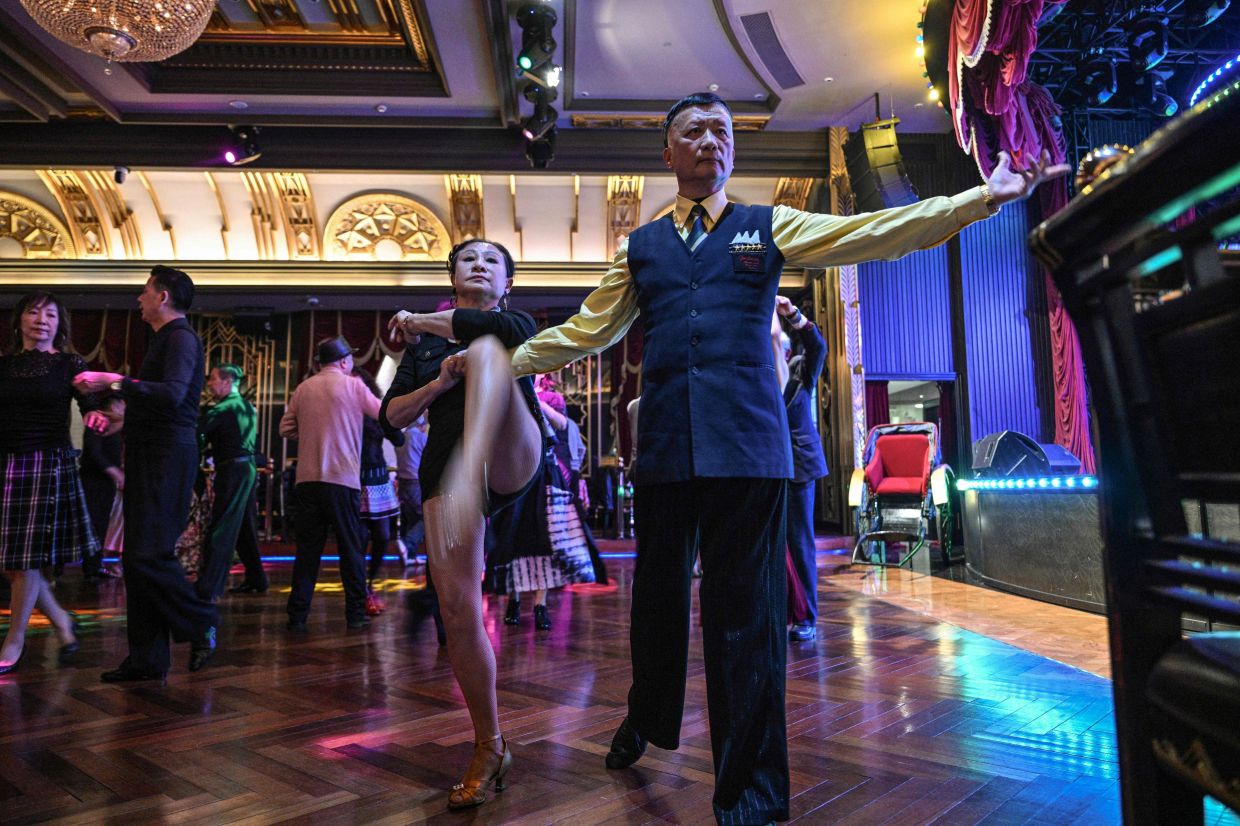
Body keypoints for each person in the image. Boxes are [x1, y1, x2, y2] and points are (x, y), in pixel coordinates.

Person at [508, 92, 1069, 824]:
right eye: (694, 131)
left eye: (723, 131)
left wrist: (975, 200)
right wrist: (498, 363)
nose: (711, 140)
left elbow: (873, 230)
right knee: (656, 606)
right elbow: (586, 331)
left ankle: (750, 797)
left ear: (732, 150)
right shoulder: (638, 248)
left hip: (751, 451)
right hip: (668, 453)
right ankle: (646, 715)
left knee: (746, 623)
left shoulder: (768, 226)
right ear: (669, 153)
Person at [381, 238, 543, 810]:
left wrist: (434, 324)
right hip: (445, 478)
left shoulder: (516, 320)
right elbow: (391, 417)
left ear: (508, 282)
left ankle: (468, 470)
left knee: (486, 352)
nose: (478, 265)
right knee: (457, 611)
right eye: (467, 259)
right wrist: (438, 383)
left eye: (491, 261)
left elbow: (500, 332)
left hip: (507, 458)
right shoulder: (422, 349)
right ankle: (489, 743)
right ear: (452, 276)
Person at [75, 266, 220, 682]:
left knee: (146, 555)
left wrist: (114, 382)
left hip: (166, 458)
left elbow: (174, 396)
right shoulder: (166, 339)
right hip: (150, 452)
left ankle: (202, 619)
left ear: (163, 298)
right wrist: (117, 422)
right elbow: (162, 404)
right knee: (135, 561)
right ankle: (147, 658)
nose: (138, 299)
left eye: (144, 291)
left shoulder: (180, 337)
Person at [0, 292, 110, 675]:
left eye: (50, 314)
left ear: (59, 324)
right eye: (33, 312)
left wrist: (96, 416)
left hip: (47, 463)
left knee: (25, 561)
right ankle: (63, 623)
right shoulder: (4, 365)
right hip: (6, 464)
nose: (41, 320)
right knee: (12, 565)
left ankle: (14, 641)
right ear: (19, 321)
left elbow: (89, 404)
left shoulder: (69, 364)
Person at [278, 336, 380, 631]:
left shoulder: (304, 388)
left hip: (307, 481)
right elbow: (381, 413)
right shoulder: (353, 385)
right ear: (345, 361)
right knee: (351, 549)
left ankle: (297, 616)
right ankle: (355, 614)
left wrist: (311, 436)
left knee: (308, 551)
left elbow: (285, 428)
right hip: (342, 479)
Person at [774, 296, 830, 643]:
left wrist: (794, 316)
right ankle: (778, 612)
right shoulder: (758, 379)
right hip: (766, 470)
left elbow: (818, 346)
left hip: (799, 468)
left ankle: (806, 616)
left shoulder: (799, 372)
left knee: (799, 543)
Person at [197, 363, 267, 601]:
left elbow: (198, 436)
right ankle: (257, 578)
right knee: (245, 527)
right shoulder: (248, 407)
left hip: (232, 471)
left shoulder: (222, 409)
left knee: (222, 527)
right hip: (247, 468)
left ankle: (209, 587)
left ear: (226, 382)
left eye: (213, 379)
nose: (209, 383)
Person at [355, 369, 403, 615]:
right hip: (354, 478)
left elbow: (398, 439)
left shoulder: (375, 408)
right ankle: (361, 591)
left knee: (383, 536)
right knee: (360, 538)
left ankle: (369, 585)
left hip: (378, 479)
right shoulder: (347, 409)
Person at [79, 392, 125, 581]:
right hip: (91, 480)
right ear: (114, 406)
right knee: (91, 523)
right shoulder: (97, 423)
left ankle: (94, 567)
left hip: (105, 482)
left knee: (101, 524)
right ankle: (88, 568)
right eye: (122, 405)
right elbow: (94, 452)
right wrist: (115, 472)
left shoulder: (118, 425)